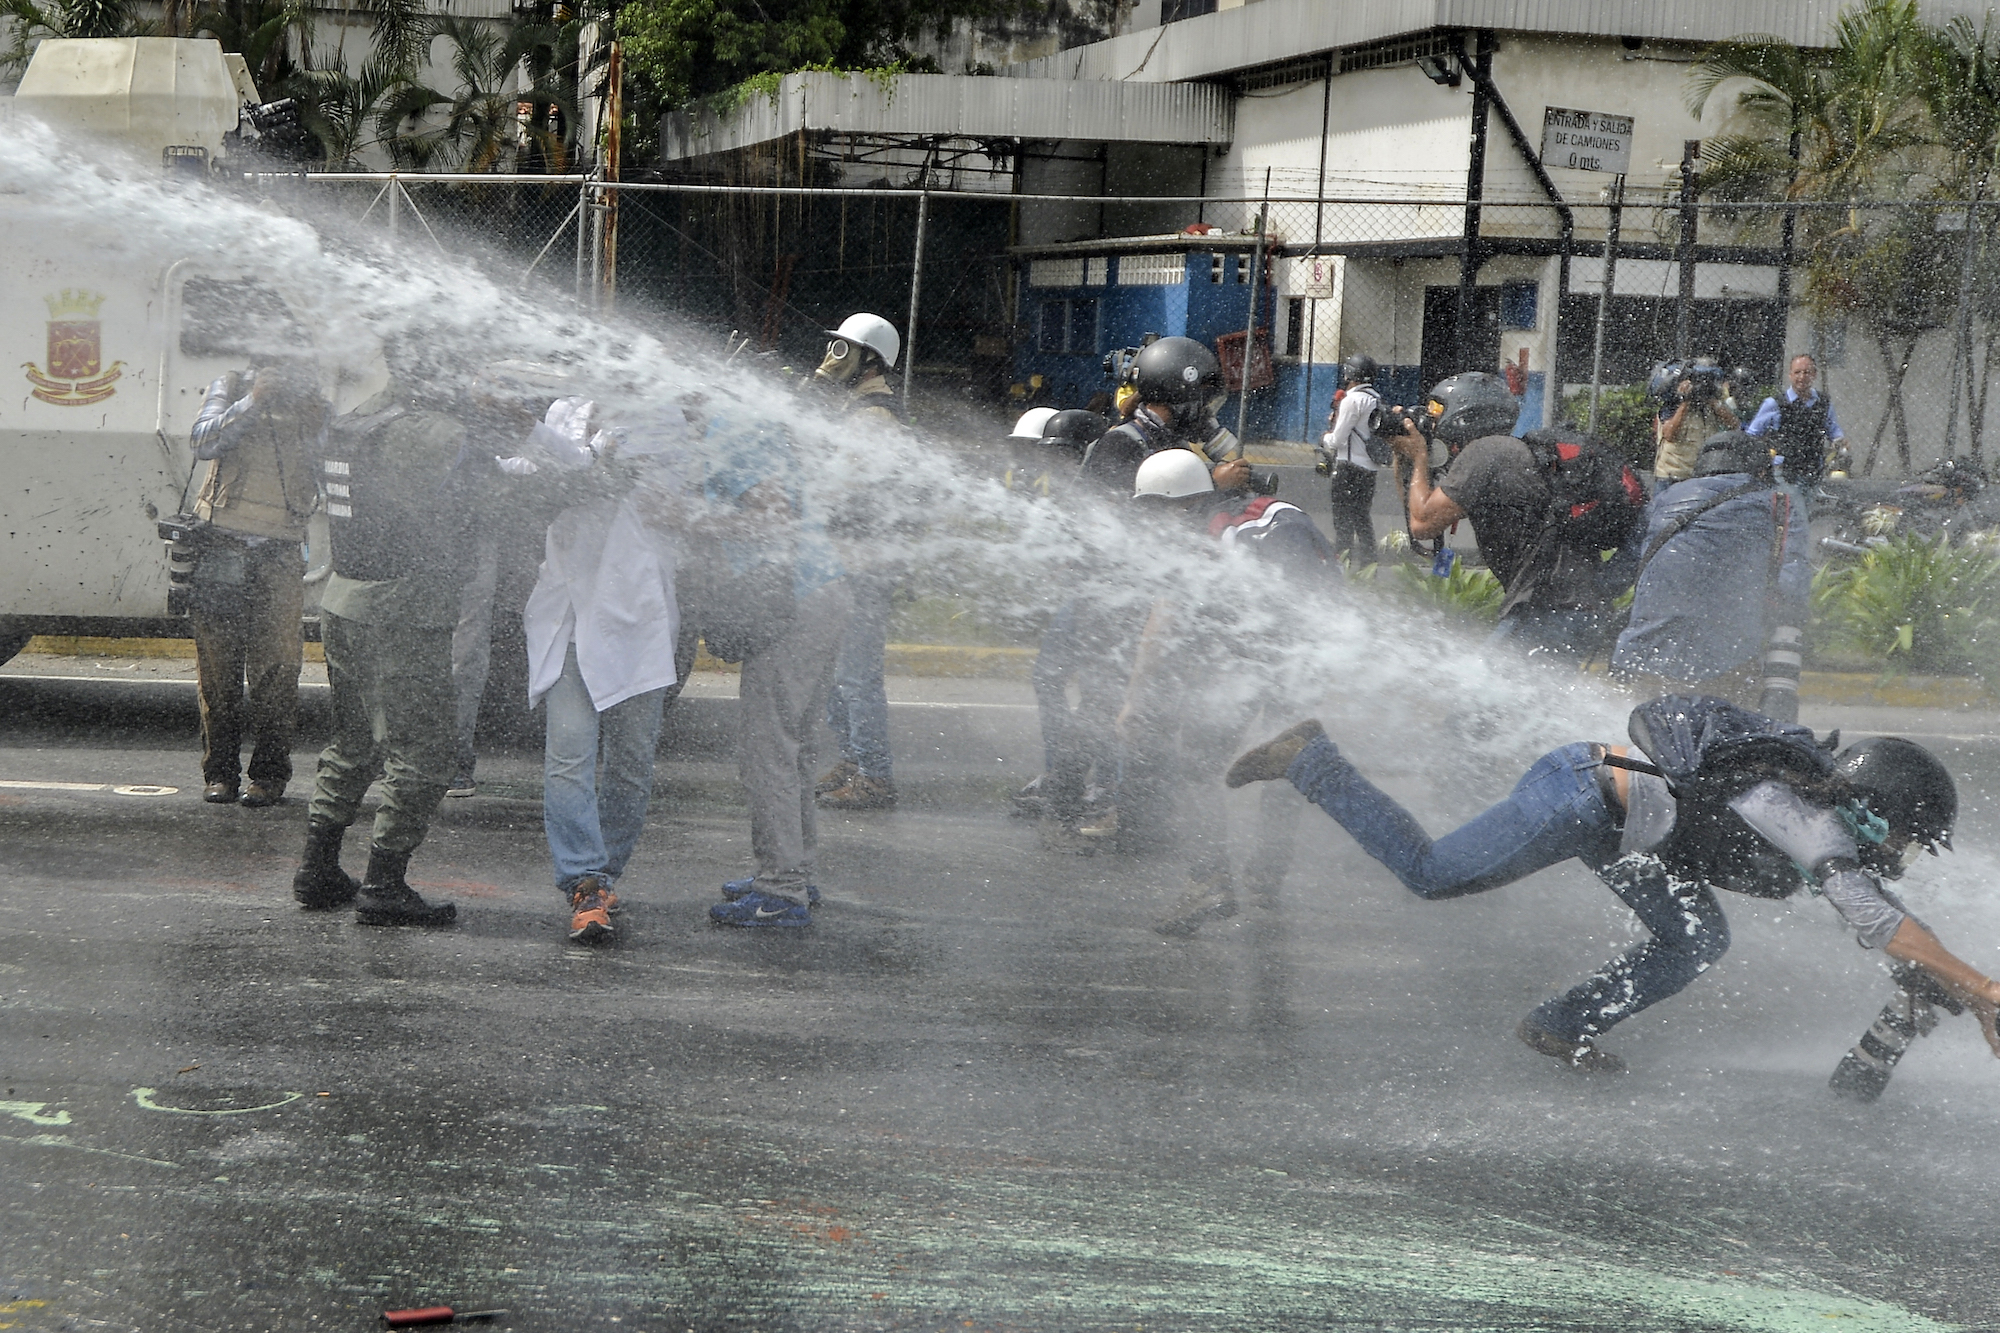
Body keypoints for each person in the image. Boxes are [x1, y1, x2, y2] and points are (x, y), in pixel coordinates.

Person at [1224, 695, 2000, 1074]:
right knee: (1432, 874)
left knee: (1697, 938)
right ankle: (1309, 758)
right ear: (1874, 810)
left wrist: (1955, 984)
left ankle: (1559, 1025)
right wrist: (1984, 987)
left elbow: (1884, 917)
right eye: (1905, 833)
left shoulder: (1824, 826)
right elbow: (1876, 920)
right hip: (1581, 797)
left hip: (1637, 835)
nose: (1904, 851)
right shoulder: (1807, 820)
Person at [287, 376, 492, 928]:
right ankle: (384, 882)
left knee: (354, 740)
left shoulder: (360, 418)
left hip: (347, 597)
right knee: (423, 750)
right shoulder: (426, 432)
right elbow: (499, 493)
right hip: (403, 607)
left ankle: (318, 866)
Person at [1118, 449, 1336, 934]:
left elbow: (1163, 620)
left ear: (1174, 504)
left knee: (1196, 763)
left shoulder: (1195, 535)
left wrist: (1136, 698)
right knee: (1286, 756)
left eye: (1154, 510)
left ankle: (1209, 881)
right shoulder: (1279, 511)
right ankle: (1266, 876)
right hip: (1310, 644)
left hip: (1251, 649)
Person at [519, 397, 685, 946]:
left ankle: (606, 874)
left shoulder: (662, 419)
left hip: (638, 619)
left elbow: (603, 473)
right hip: (570, 616)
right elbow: (545, 475)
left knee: (631, 764)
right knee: (570, 755)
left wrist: (570, 445)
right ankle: (584, 881)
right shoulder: (562, 411)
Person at [687, 413, 851, 928]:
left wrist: (684, 516)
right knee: (795, 748)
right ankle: (795, 872)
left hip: (791, 605)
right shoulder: (753, 428)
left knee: (770, 750)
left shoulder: (727, 432)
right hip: (820, 594)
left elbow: (773, 517)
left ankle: (780, 889)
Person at [1390, 373, 1636, 658]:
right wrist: (1404, 456)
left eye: (1437, 412)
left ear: (1464, 415)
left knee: (1481, 690)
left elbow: (1422, 524)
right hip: (1571, 607)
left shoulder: (1484, 453)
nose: (1432, 424)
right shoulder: (1503, 454)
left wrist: (1419, 456)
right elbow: (1423, 509)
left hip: (1547, 608)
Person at [185, 361, 325, 807]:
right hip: (220, 545)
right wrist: (253, 401)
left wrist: (311, 416)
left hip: (280, 549)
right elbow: (203, 441)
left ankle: (268, 775)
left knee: (279, 669)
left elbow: (327, 462)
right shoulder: (230, 386)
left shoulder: (313, 401)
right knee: (218, 671)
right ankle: (220, 773)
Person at [1611, 430, 1806, 710]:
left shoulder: (1663, 502)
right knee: (1729, 745)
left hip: (1642, 657)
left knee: (1641, 747)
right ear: (1761, 470)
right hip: (1723, 662)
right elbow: (1792, 585)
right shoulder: (1778, 504)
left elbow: (1624, 569)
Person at [815, 313, 906, 813]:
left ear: (868, 359)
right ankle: (854, 760)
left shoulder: (875, 418)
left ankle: (875, 775)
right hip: (841, 561)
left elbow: (843, 492)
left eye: (843, 350)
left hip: (863, 566)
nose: (832, 359)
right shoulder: (854, 411)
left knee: (856, 674)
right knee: (835, 671)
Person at [1080, 337, 1250, 497]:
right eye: (1200, 402)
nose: (1204, 413)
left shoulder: (1172, 441)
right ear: (1175, 397)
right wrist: (1213, 485)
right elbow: (1128, 513)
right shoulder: (1120, 443)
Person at [1315, 353, 1385, 563]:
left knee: (1343, 523)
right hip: (1369, 469)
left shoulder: (1351, 400)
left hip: (1348, 468)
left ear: (1350, 374)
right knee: (1362, 520)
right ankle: (1368, 566)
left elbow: (1337, 441)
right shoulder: (1375, 399)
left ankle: (1342, 564)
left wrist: (1324, 438)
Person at [1745, 352, 1847, 487]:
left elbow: (1833, 431)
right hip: (1783, 473)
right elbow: (1752, 435)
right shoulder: (1775, 404)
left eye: (1807, 372)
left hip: (1814, 471)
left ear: (1814, 375)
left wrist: (1840, 441)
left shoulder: (1823, 403)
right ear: (1790, 375)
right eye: (1797, 372)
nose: (1802, 377)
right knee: (1796, 507)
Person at [1653, 356, 1740, 484]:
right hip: (1672, 476)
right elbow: (1669, 434)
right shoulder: (1672, 404)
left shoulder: (1711, 406)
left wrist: (1712, 400)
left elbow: (1734, 424)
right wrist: (1685, 402)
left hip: (1701, 476)